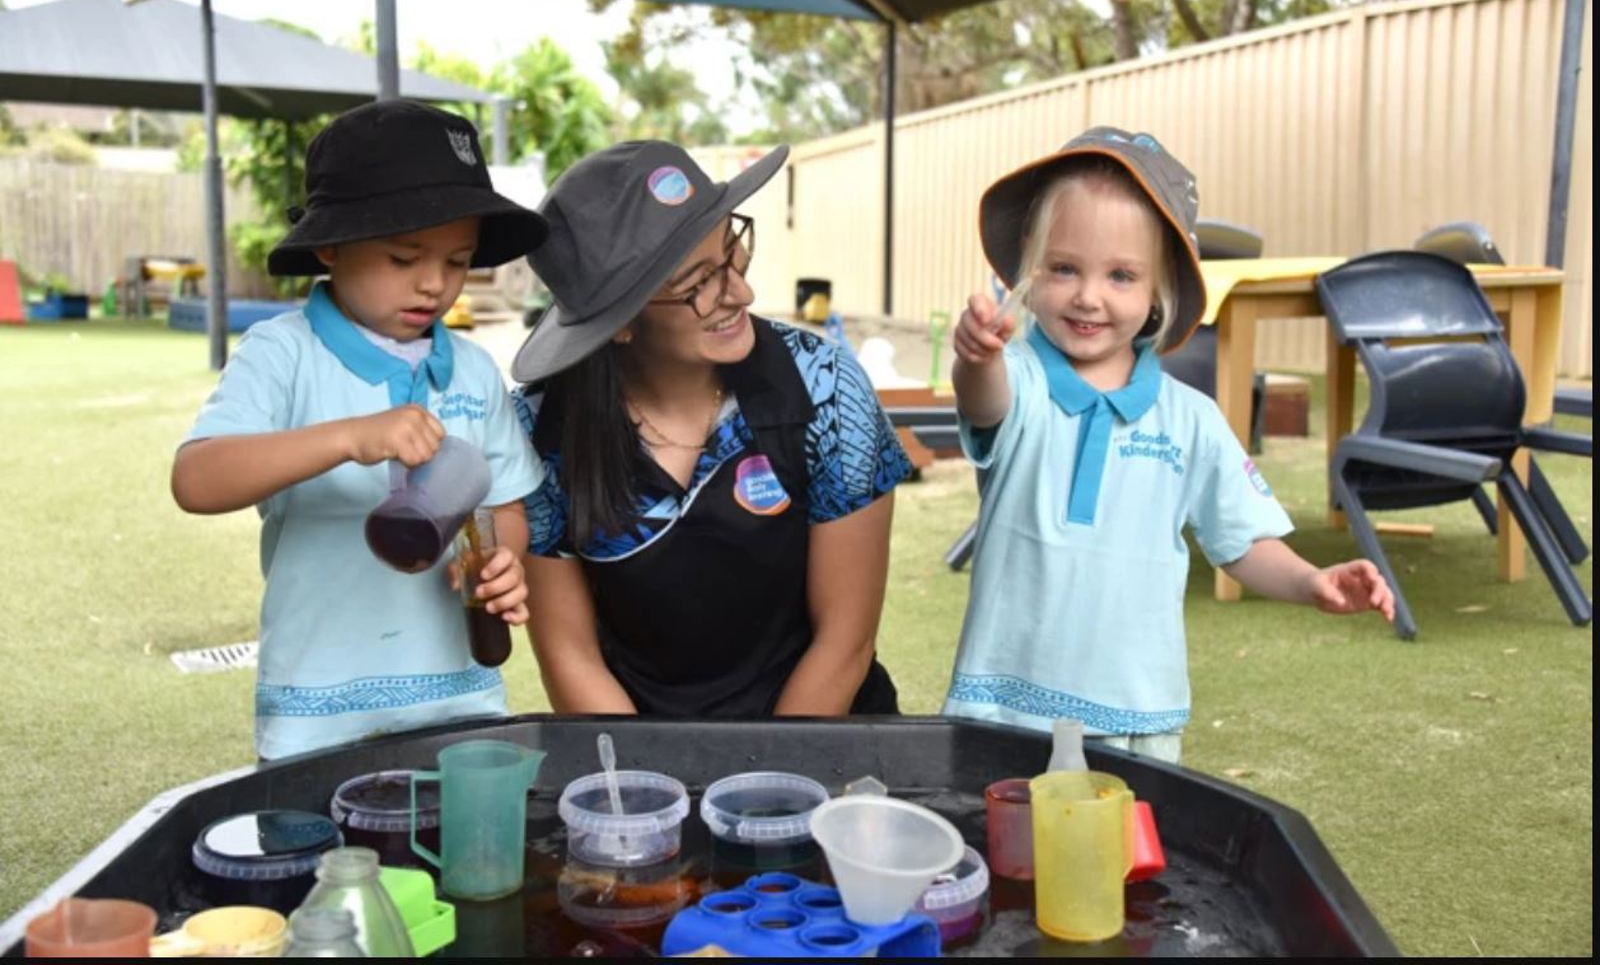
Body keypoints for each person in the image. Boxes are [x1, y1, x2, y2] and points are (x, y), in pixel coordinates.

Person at [942, 127, 1394, 763]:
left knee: (1128, 860)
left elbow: (1239, 541)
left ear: (1159, 289)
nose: (1088, 296)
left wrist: (1311, 581)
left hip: (1135, 716)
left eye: (1121, 275)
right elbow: (983, 400)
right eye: (1064, 267)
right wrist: (975, 357)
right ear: (1028, 267)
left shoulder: (1191, 419)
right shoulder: (1021, 378)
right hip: (1005, 710)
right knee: (999, 855)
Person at [171, 100, 547, 760]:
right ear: (329, 244)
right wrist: (349, 436)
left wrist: (502, 559)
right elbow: (196, 478)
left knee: (463, 863)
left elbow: (505, 505)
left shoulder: (472, 369)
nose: (434, 283)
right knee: (328, 866)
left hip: (460, 700)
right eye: (404, 257)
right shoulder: (282, 354)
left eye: (458, 261)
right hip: (319, 711)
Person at [509, 141, 911, 717]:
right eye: (697, 282)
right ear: (618, 326)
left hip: (823, 735)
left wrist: (768, 789)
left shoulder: (823, 385)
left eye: (733, 253)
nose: (740, 292)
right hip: (638, 755)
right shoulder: (541, 431)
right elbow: (570, 656)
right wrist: (643, 796)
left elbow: (844, 642)